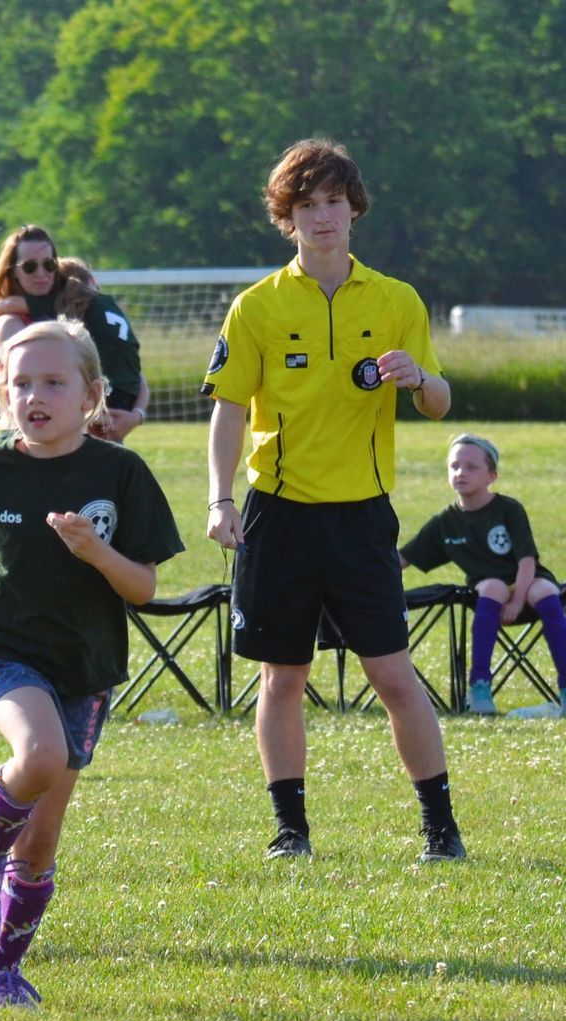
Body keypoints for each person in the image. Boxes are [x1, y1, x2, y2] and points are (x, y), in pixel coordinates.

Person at [205, 138, 465, 863]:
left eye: (333, 202)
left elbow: (441, 403)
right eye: (306, 205)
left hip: (361, 513)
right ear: (287, 218)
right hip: (278, 512)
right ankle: (291, 832)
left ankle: (441, 832)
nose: (322, 217)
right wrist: (219, 499)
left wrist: (417, 378)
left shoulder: (396, 300)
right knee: (282, 677)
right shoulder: (256, 305)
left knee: (393, 675)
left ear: (356, 209)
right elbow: (228, 408)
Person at [0, 320, 183, 1006]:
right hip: (0, 650)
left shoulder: (120, 473)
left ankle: (1, 970)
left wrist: (94, 552)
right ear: (2, 395)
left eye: (52, 382)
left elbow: (145, 586)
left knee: (39, 845)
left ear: (92, 394)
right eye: (19, 384)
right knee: (37, 754)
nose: (33, 396)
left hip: (84, 665)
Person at [400, 433, 566, 717]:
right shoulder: (445, 522)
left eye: (471, 467)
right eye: (454, 466)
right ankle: (479, 688)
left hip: (528, 580)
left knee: (546, 591)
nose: (460, 472)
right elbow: (403, 558)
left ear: (492, 476)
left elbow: (527, 560)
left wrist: (517, 602)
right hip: (491, 593)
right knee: (491, 586)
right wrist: (362, 571)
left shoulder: (508, 508)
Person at [0, 228, 149, 443]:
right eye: (30, 267)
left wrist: (135, 415)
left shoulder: (77, 318)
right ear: (14, 273)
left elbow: (135, 374)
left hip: (87, 435)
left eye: (49, 265)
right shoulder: (11, 322)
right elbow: (33, 383)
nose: (41, 273)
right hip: (30, 438)